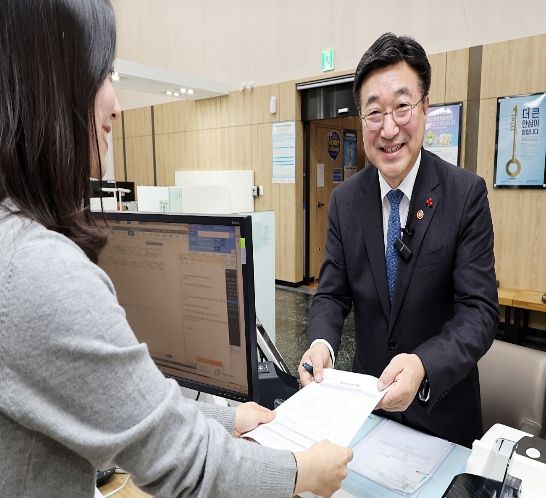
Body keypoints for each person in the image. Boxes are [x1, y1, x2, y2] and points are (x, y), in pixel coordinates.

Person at [0, 1, 352, 497]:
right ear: (52, 87)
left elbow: (121, 407)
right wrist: (301, 472)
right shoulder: (39, 270)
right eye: (102, 75)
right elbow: (183, 464)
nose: (115, 105)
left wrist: (226, 417)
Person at [299, 32, 499, 448]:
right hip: (366, 413)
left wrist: (424, 364)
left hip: (443, 415)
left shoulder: (465, 195)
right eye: (374, 112)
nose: (389, 129)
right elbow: (332, 294)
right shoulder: (345, 201)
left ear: (424, 108)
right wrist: (320, 344)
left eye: (402, 107)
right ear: (361, 120)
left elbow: (479, 311)